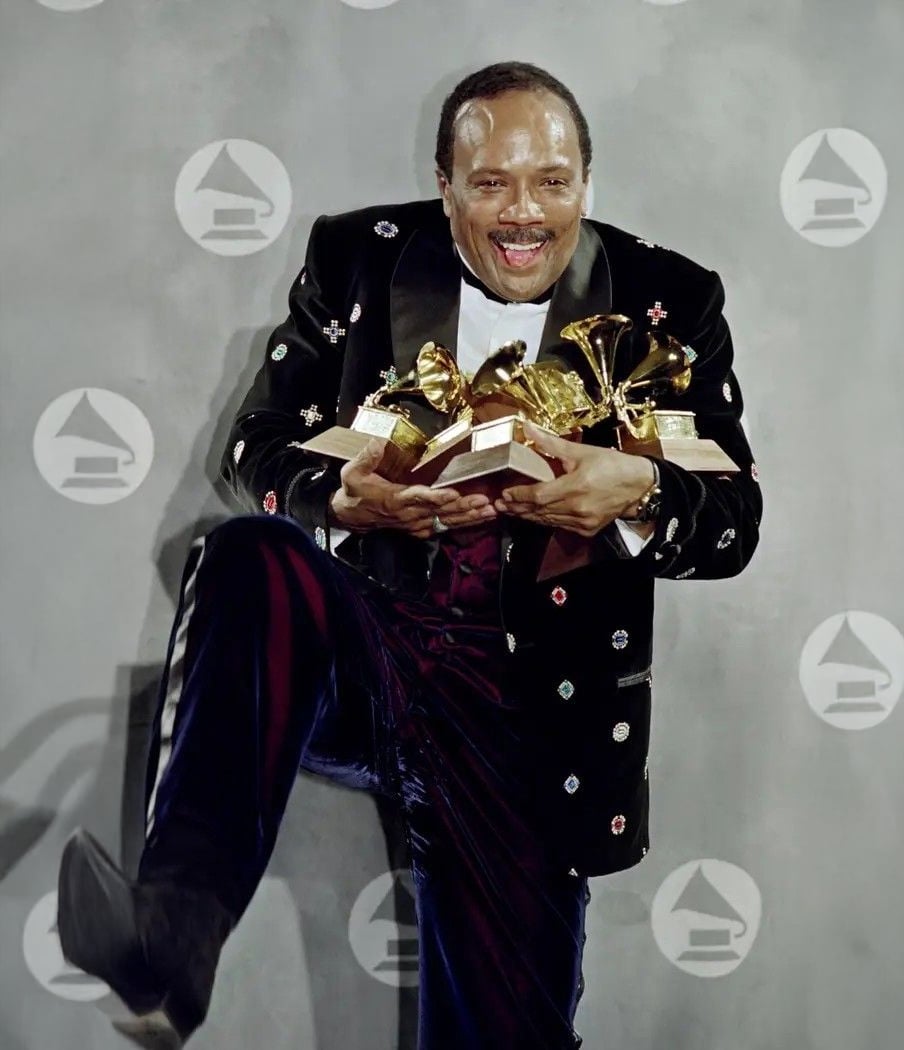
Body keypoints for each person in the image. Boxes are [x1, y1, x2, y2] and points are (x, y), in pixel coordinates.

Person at [57, 61, 762, 1049]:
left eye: (552, 182)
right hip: (370, 651)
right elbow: (261, 444)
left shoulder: (660, 299)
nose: (524, 213)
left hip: (529, 717)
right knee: (252, 554)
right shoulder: (360, 259)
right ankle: (175, 931)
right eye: (491, 183)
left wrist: (636, 491)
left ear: (586, 184)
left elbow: (731, 520)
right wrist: (340, 500)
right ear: (446, 186)